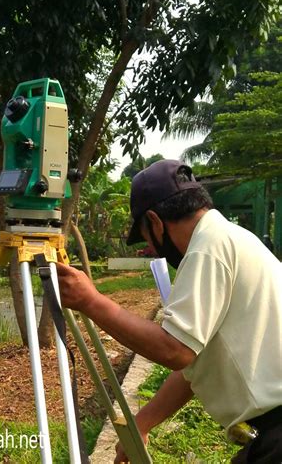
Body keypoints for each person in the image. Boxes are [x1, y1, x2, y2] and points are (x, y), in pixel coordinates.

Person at [56, 160, 282, 464]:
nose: (152, 248)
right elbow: (193, 363)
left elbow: (175, 350)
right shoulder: (231, 238)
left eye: (147, 239)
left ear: (155, 222)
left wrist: (91, 301)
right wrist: (143, 421)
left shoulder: (208, 248)